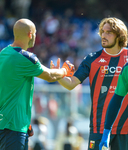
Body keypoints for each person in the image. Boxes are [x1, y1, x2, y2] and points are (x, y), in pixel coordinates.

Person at [50, 17, 128, 150]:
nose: (103, 35)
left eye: (108, 32)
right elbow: (71, 83)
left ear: (119, 35)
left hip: (127, 129)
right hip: (99, 128)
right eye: (103, 32)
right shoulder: (92, 59)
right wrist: (58, 74)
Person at [0, 18, 74, 150]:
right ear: (30, 34)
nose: (35, 36)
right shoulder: (25, 58)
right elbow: (50, 76)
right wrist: (64, 71)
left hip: (7, 123)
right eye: (35, 33)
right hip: (13, 127)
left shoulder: (4, 53)